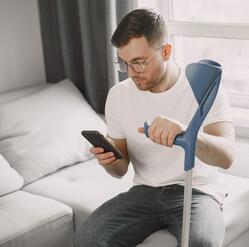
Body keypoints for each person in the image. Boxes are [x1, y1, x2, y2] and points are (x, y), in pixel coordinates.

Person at [73, 8, 235, 247]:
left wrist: (186, 133)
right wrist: (108, 161)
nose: (131, 73)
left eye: (139, 63)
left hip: (196, 191)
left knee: (201, 243)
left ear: (166, 51)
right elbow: (120, 170)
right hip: (144, 192)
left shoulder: (202, 87)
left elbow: (227, 157)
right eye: (124, 63)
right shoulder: (119, 95)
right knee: (86, 240)